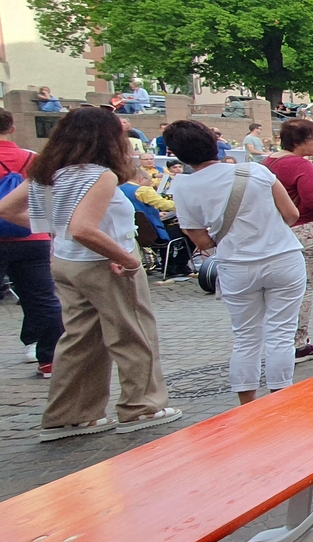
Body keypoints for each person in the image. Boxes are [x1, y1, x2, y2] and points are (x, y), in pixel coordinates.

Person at [0, 107, 180, 440]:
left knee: (79, 338)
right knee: (132, 331)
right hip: (103, 262)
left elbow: (7, 208)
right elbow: (84, 228)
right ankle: (142, 405)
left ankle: (69, 414)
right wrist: (125, 258)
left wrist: (55, 230)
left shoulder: (47, 171)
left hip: (67, 262)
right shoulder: (100, 175)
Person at [169, 121, 305, 404]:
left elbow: (200, 239)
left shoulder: (183, 185)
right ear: (214, 143)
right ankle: (281, 398)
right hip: (282, 256)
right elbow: (291, 214)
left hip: (236, 264)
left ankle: (247, 405)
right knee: (281, 333)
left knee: (246, 337)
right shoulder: (255, 171)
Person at [263, 118, 313, 362]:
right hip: (307, 228)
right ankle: (298, 342)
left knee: (283, 288)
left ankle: (281, 338)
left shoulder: (269, 162)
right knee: (304, 287)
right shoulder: (299, 165)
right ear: (298, 141)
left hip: (281, 229)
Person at [0, 108, 61, 378]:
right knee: (43, 299)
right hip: (32, 235)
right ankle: (50, 359)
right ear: (12, 128)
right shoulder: (33, 159)